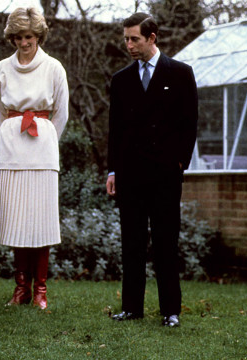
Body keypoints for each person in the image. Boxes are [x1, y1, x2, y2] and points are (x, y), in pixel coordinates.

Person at [106, 13, 198, 328]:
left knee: (165, 243)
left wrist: (179, 163)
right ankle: (132, 307)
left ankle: (170, 310)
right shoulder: (121, 80)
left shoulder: (181, 74)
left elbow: (190, 125)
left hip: (164, 174)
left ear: (152, 38)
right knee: (131, 242)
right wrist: (112, 170)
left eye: (135, 39)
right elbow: (114, 130)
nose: (129, 45)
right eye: (126, 39)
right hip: (130, 174)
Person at [0, 7, 69, 310]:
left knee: (41, 220)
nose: (24, 43)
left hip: (42, 147)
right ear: (12, 38)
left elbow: (62, 112)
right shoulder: (3, 67)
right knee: (15, 218)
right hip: (11, 148)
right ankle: (20, 287)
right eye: (19, 37)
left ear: (39, 36)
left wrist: (47, 138)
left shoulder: (54, 67)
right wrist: (11, 133)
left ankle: (41, 290)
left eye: (30, 37)